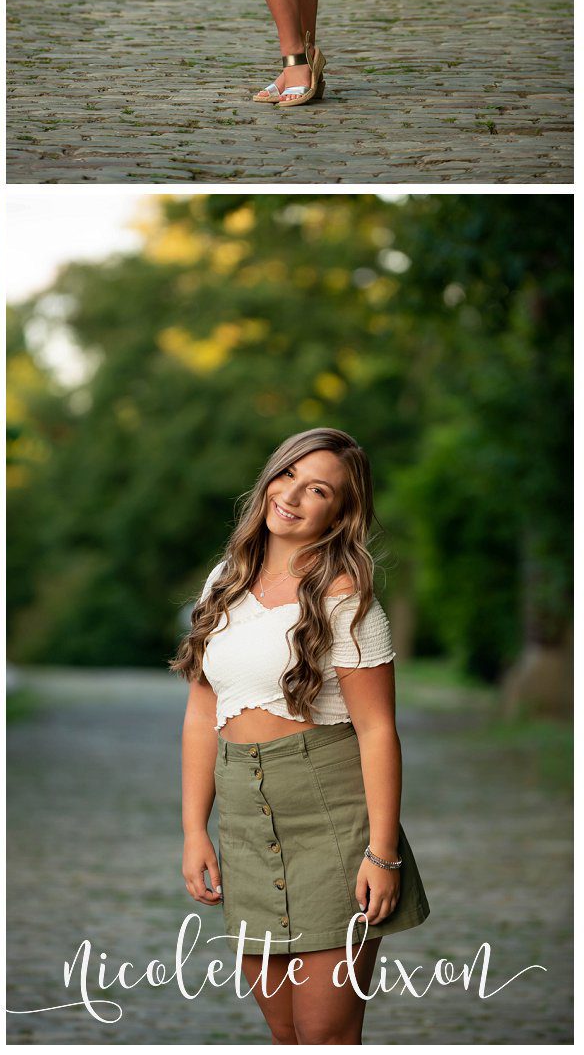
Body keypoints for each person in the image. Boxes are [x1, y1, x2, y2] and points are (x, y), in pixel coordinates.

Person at [173, 428, 431, 1043]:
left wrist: (382, 851)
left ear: (340, 512)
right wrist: (193, 831)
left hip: (331, 820)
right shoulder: (223, 583)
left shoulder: (346, 597)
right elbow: (200, 713)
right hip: (244, 824)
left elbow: (376, 729)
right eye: (286, 475)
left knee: (325, 1038)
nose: (290, 495)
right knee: (285, 1034)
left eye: (317, 489)